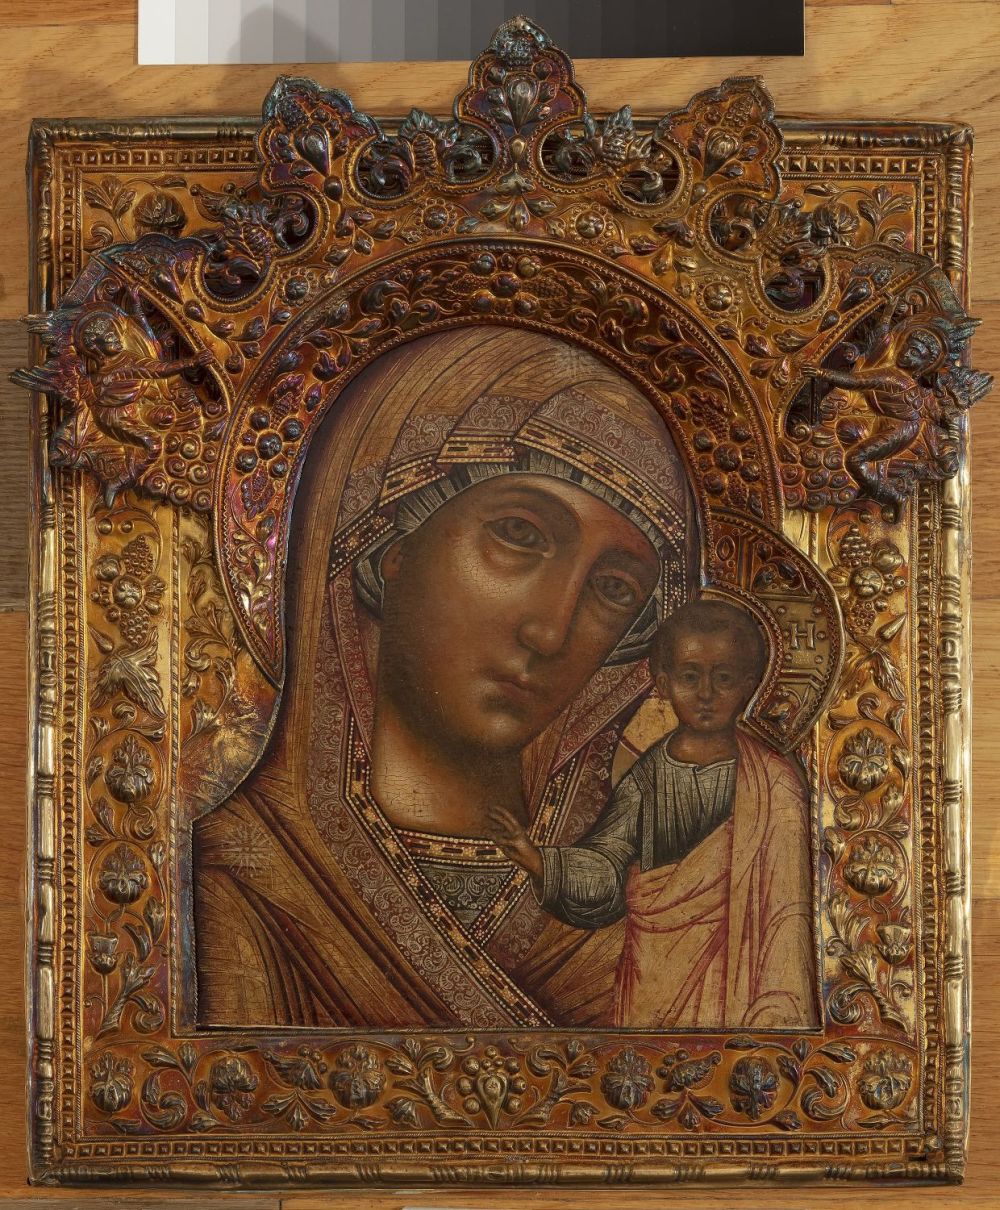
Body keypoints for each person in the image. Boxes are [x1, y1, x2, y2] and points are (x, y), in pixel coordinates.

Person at [191, 326, 699, 1028]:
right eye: (519, 534)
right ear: (389, 543)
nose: (551, 632)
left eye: (614, 588)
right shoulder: (233, 890)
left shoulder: (658, 915)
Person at [490, 599, 818, 1030]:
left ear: (749, 685)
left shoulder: (775, 784)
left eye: (723, 678)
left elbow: (789, 909)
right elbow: (608, 863)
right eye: (689, 677)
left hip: (745, 978)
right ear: (663, 684)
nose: (705, 694)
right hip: (655, 977)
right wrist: (539, 861)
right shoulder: (649, 776)